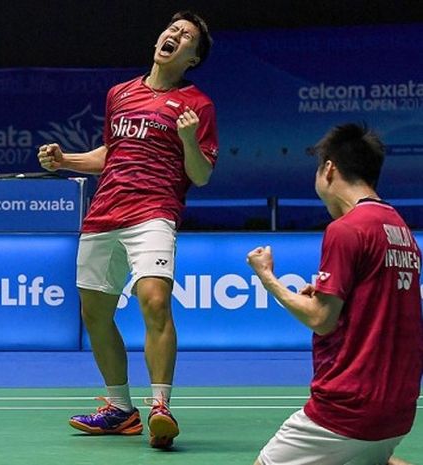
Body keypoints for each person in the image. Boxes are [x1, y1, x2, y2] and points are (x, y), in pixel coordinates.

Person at [38, 10, 218, 448]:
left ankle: (161, 406)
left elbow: (201, 175)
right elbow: (112, 153)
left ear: (192, 58)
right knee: (95, 314)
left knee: (154, 301)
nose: (174, 35)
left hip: (154, 211)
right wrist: (66, 161)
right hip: (104, 213)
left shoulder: (198, 105)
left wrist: (190, 141)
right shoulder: (119, 94)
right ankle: (120, 409)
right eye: (172, 29)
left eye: (186, 36)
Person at [247, 123, 422, 465]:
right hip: (399, 409)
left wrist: (267, 277)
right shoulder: (400, 229)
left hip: (347, 409)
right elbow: (374, 307)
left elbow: (320, 320)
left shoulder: (345, 229)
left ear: (329, 169)